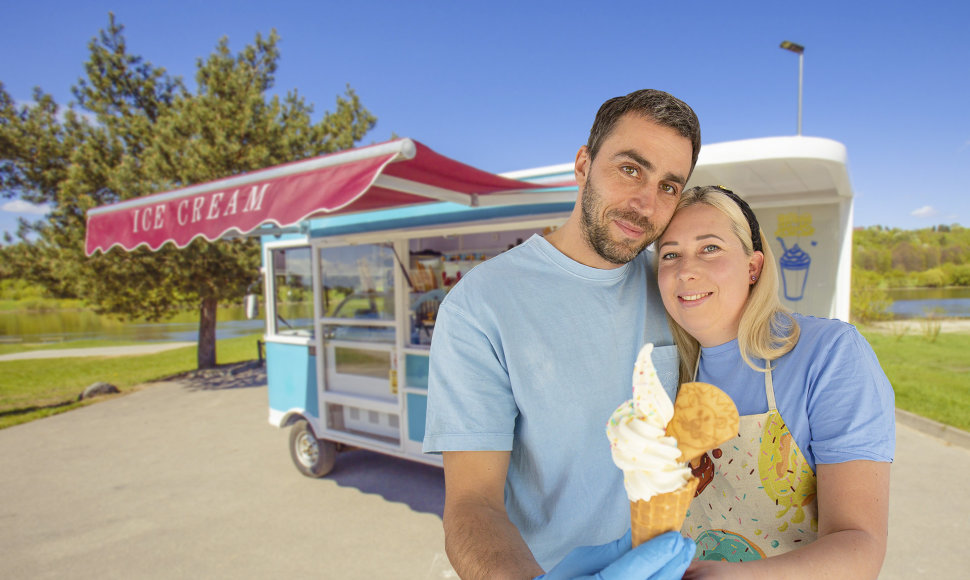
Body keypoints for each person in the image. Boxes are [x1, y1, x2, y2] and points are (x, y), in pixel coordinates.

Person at [423, 89, 702, 578]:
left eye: (669, 186)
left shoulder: (678, 290)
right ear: (583, 164)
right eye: (631, 169)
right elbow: (472, 503)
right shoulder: (479, 306)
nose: (645, 203)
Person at [655, 185, 894, 579]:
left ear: (754, 267)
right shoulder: (671, 370)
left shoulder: (829, 354)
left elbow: (860, 544)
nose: (686, 270)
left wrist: (728, 577)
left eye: (710, 247)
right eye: (670, 254)